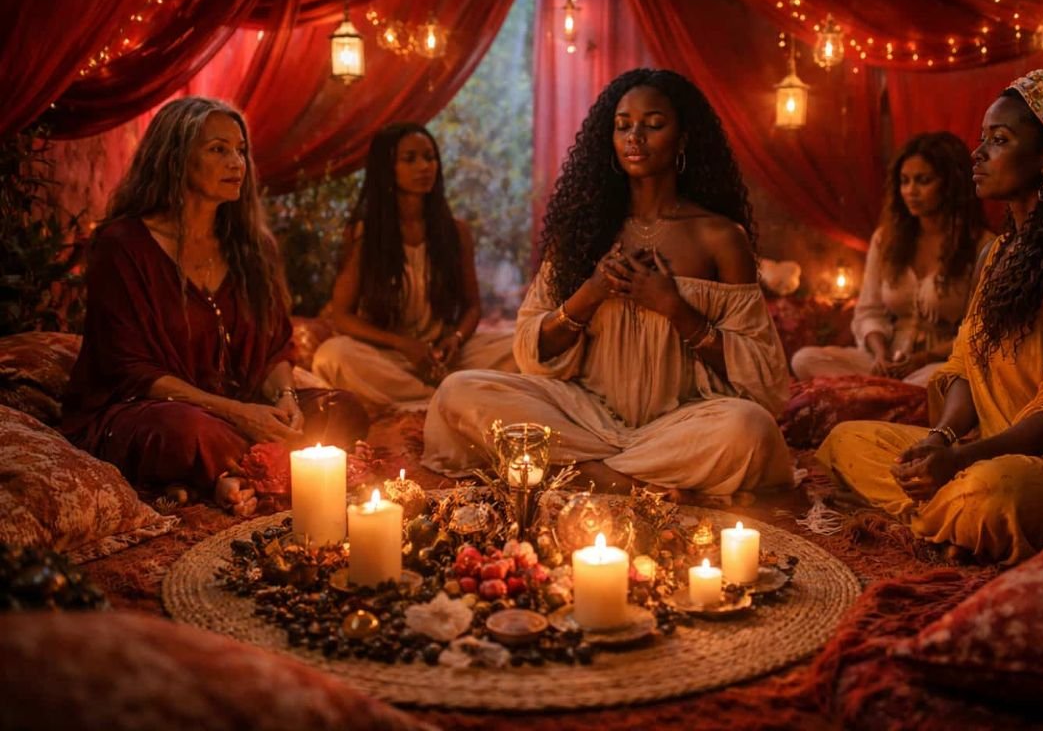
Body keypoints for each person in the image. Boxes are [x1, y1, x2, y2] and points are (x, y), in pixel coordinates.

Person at [816, 68, 1043, 564]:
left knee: (996, 492)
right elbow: (966, 363)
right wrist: (940, 439)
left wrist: (963, 459)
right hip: (996, 451)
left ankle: (941, 516)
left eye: (1000, 140)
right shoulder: (1001, 255)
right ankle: (948, 516)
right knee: (848, 440)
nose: (979, 154)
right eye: (982, 139)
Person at [422, 69, 792, 499]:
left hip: (683, 419)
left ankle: (577, 473)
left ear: (684, 139)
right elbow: (530, 350)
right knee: (459, 391)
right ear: (609, 140)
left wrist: (675, 308)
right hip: (582, 411)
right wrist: (590, 293)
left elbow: (763, 374)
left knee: (749, 429)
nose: (635, 136)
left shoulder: (721, 237)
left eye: (654, 125)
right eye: (623, 126)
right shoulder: (583, 229)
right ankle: (629, 484)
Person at [62, 97, 369, 516]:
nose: (236, 162)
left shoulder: (252, 247)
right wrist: (241, 415)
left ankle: (232, 475)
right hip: (152, 409)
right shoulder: (123, 245)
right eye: (217, 149)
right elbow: (130, 370)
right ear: (174, 159)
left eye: (240, 150)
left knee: (341, 409)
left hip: (241, 404)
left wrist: (285, 400)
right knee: (186, 433)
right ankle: (259, 470)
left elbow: (276, 347)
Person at [311, 123, 515, 411]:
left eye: (429, 157)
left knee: (518, 346)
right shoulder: (364, 234)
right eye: (410, 159)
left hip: (445, 356)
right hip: (390, 356)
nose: (424, 167)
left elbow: (473, 307)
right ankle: (445, 399)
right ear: (387, 169)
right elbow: (342, 316)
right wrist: (403, 345)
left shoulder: (456, 232)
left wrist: (455, 340)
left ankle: (441, 392)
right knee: (332, 356)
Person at [791, 132, 993, 386]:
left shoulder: (982, 244)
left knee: (940, 380)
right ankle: (884, 390)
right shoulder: (886, 239)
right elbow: (869, 310)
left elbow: (980, 331)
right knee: (805, 359)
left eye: (923, 181)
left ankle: (879, 392)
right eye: (905, 181)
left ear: (951, 184)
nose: (911, 191)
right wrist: (880, 354)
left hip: (941, 362)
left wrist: (923, 358)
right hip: (886, 361)